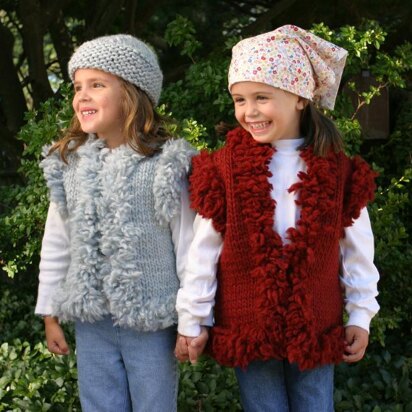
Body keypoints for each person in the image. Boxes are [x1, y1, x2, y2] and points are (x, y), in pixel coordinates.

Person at [175, 24, 380, 411]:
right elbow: (203, 252)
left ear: (300, 97)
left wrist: (361, 314)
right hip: (250, 326)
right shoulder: (224, 169)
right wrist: (193, 320)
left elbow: (356, 250)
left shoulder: (338, 172)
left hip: (315, 326)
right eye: (239, 99)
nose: (249, 112)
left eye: (261, 97)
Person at [34, 34, 208, 412]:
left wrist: (192, 319)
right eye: (78, 86)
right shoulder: (71, 166)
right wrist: (50, 311)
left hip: (151, 322)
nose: (82, 96)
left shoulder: (165, 166)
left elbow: (190, 247)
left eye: (97, 85)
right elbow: (58, 242)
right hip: (92, 321)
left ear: (132, 93)